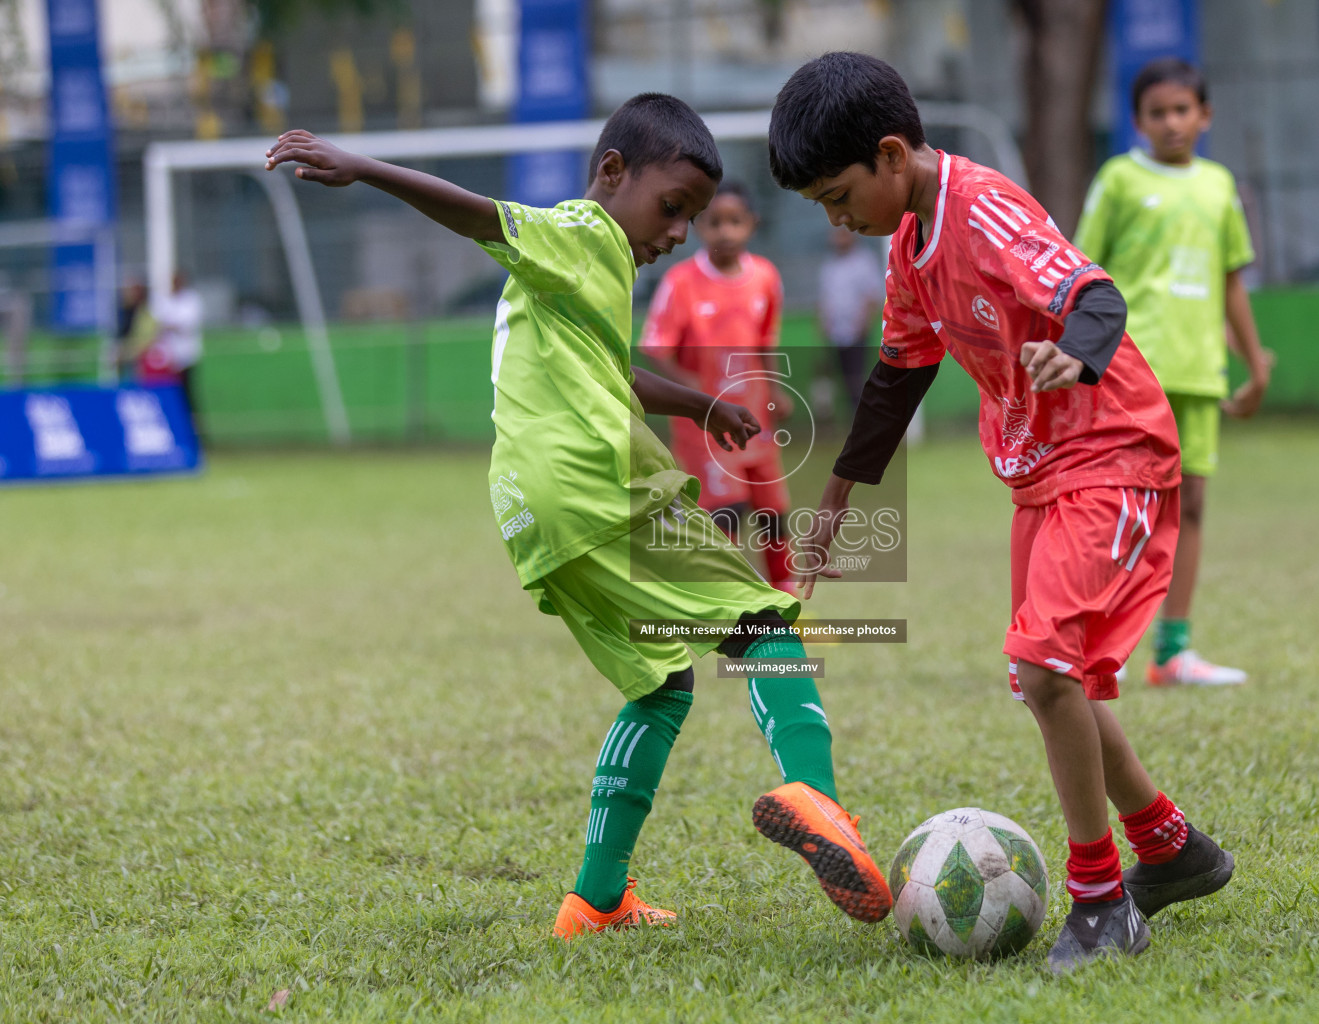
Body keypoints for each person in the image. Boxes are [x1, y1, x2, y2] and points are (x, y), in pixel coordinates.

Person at [264, 94, 891, 939]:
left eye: (694, 218)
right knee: (764, 619)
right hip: (599, 484)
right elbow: (480, 216)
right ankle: (819, 798)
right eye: (673, 208)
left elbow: (614, 372)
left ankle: (595, 900)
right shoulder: (583, 230)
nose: (677, 233)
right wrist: (364, 167)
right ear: (611, 173)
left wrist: (701, 403)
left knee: (661, 686)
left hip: (533, 513)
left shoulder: (584, 276)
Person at [769, 52, 1233, 973]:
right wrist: (830, 508)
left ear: (892, 154)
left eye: (836, 195)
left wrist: (1080, 353)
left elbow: (1094, 294)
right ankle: (1172, 848)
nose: (836, 219)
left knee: (1044, 662)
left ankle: (1101, 901)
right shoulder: (910, 244)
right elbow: (897, 378)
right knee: (1049, 679)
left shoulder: (983, 211)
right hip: (1041, 473)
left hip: (1114, 454)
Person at [1074, 58, 1271, 687]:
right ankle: (1104, 641)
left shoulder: (1218, 185)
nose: (1172, 122)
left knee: (1191, 509)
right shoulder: (1120, 179)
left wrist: (1255, 360)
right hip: (1132, 369)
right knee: (1122, 506)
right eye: (1158, 112)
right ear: (1138, 121)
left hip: (1200, 373)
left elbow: (1231, 281)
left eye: (1183, 110)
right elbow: (1079, 268)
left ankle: (1173, 651)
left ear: (1205, 116)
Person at [640, 181, 797, 592]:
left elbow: (766, 343)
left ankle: (788, 601)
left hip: (755, 418)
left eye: (735, 221)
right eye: (713, 223)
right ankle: (728, 604)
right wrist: (694, 393)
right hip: (707, 425)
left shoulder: (765, 277)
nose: (725, 232)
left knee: (773, 512)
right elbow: (655, 348)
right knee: (726, 512)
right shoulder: (680, 282)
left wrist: (775, 391)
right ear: (698, 227)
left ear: (752, 224)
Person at [817, 226, 885, 416]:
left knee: (858, 378)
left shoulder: (863, 262)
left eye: (842, 235)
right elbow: (825, 299)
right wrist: (824, 324)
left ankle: (866, 417)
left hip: (856, 333)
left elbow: (871, 296)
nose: (838, 239)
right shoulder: (830, 265)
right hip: (835, 334)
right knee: (841, 380)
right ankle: (851, 419)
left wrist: (862, 325)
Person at [150, 271, 205, 430]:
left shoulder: (191, 300)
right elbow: (157, 323)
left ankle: (191, 431)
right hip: (165, 358)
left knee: (187, 397)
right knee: (168, 396)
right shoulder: (164, 300)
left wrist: (169, 325)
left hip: (186, 356)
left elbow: (185, 324)